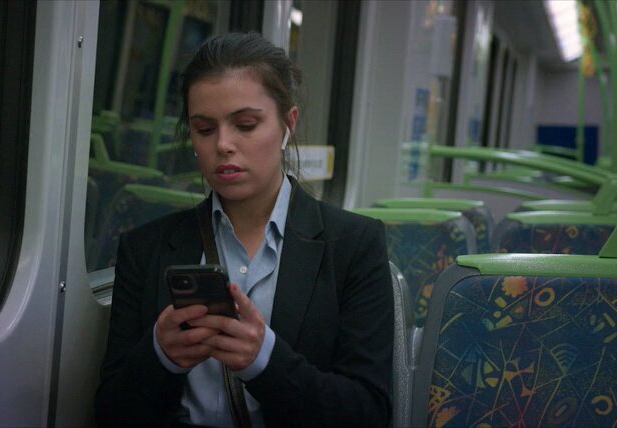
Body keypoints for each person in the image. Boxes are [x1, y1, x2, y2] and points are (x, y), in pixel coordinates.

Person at [95, 33, 393, 427]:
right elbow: (110, 413)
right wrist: (160, 355)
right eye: (204, 129)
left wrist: (265, 360)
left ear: (288, 124)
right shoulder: (144, 248)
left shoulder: (353, 246)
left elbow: (368, 412)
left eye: (245, 125)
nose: (223, 144)